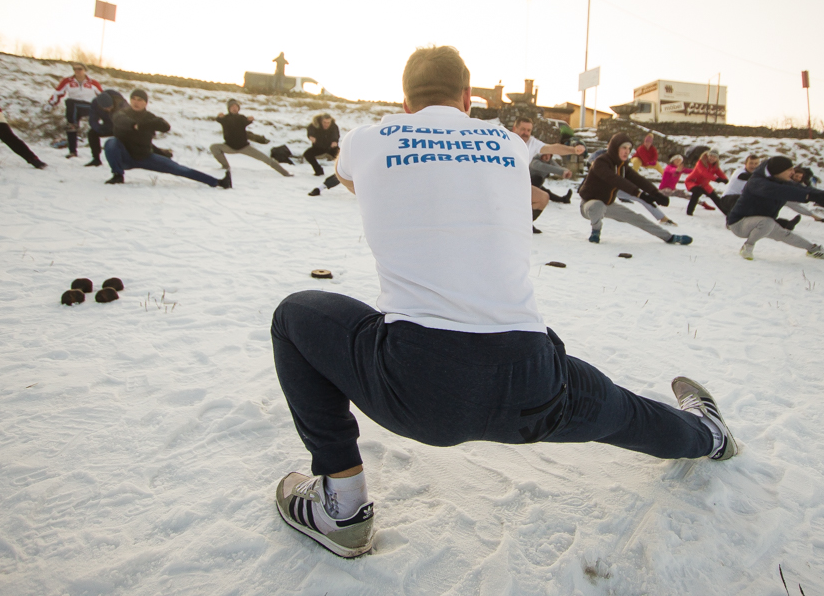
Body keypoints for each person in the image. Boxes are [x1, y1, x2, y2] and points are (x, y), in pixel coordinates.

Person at [270, 45, 732, 559]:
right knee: (623, 413)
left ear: (405, 101)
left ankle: (343, 507)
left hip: (417, 386)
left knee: (294, 317)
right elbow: (533, 190)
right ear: (468, 97)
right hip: (532, 381)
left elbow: (351, 179)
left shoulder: (366, 139)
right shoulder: (508, 142)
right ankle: (709, 437)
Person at [103, 89, 231, 189]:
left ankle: (218, 182)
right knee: (111, 142)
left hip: (144, 157)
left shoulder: (149, 117)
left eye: (140, 99)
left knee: (179, 169)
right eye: (133, 99)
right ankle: (117, 175)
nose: (136, 102)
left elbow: (164, 127)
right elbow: (120, 120)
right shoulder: (122, 113)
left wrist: (161, 152)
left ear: (145, 103)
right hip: (124, 158)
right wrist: (135, 125)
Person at [579, 133, 692, 245]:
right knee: (598, 205)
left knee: (637, 218)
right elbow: (615, 180)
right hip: (589, 205)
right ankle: (596, 231)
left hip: (608, 205)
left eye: (629, 148)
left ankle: (669, 237)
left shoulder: (622, 165)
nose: (627, 151)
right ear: (615, 148)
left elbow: (638, 179)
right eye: (624, 147)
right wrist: (640, 195)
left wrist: (656, 193)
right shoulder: (601, 162)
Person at [726, 156, 824, 261]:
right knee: (767, 222)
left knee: (785, 234)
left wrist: (822, 195)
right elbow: (780, 191)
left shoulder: (782, 181)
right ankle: (748, 247)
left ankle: (814, 250)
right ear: (777, 171)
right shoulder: (757, 182)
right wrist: (809, 196)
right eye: (789, 170)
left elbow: (800, 188)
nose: (793, 172)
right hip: (739, 224)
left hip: (761, 222)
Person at [510, 116, 585, 233]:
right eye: (523, 129)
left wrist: (573, 150)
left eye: (528, 130)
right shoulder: (504, 139)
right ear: (514, 128)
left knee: (543, 197)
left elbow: (552, 148)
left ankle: (524, 224)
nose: (526, 133)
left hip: (518, 184)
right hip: (499, 182)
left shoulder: (532, 143)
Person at [210, 99, 292, 178]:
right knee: (214, 147)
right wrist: (219, 117)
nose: (234, 109)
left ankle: (285, 173)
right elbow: (218, 120)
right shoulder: (225, 118)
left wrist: (250, 119)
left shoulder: (241, 118)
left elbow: (246, 121)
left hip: (244, 147)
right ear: (229, 109)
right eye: (232, 107)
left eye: (236, 107)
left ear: (238, 108)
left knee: (266, 159)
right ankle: (225, 166)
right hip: (229, 147)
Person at [45, 63, 103, 158]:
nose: (77, 71)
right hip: (74, 109)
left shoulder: (93, 83)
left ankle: (72, 124)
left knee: (70, 102)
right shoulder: (67, 81)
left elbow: (102, 96)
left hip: (88, 106)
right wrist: (51, 103)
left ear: (85, 70)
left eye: (80, 69)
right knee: (71, 124)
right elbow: (58, 92)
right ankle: (72, 151)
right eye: (75, 69)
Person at [83, 89, 125, 167]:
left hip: (121, 126)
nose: (108, 110)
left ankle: (126, 158)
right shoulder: (95, 104)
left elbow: (128, 119)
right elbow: (93, 120)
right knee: (92, 133)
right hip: (108, 125)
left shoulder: (120, 102)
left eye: (110, 107)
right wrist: (98, 128)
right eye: (106, 109)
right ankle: (96, 159)